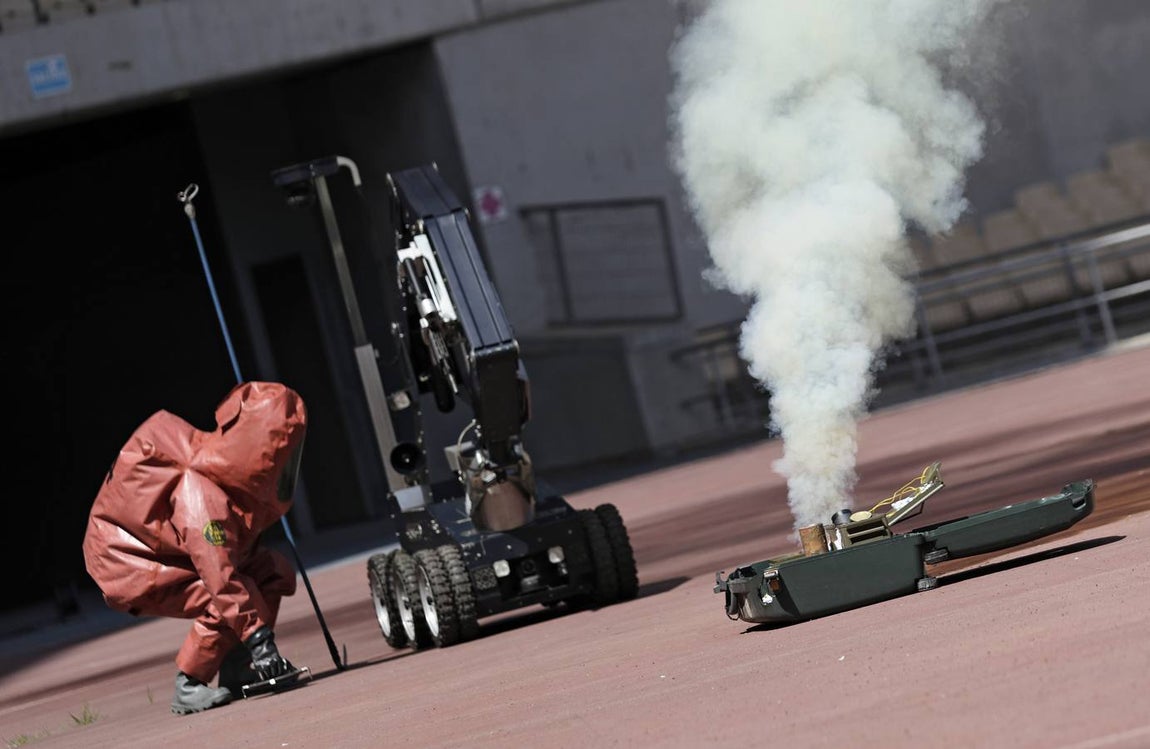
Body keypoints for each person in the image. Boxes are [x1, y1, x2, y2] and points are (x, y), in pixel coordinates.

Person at [82, 381, 307, 715]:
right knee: (228, 595)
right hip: (129, 563)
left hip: (164, 550)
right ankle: (189, 683)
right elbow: (221, 579)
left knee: (273, 573)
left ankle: (236, 669)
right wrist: (261, 642)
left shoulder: (230, 481)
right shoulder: (201, 491)